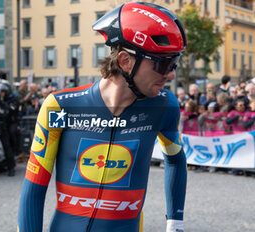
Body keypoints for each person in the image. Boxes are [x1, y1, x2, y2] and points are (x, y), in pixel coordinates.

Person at [17, 2, 187, 232]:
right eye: (164, 63)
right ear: (125, 61)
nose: (172, 73)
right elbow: (34, 188)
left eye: (174, 62)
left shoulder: (164, 106)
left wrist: (175, 224)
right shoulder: (60, 106)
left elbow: (176, 159)